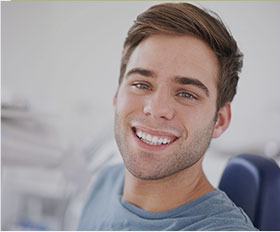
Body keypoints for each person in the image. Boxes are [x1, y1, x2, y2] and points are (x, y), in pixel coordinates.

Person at [78, 2, 257, 231]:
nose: (156, 108)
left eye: (186, 94)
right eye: (141, 84)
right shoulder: (105, 183)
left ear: (220, 120)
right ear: (116, 94)